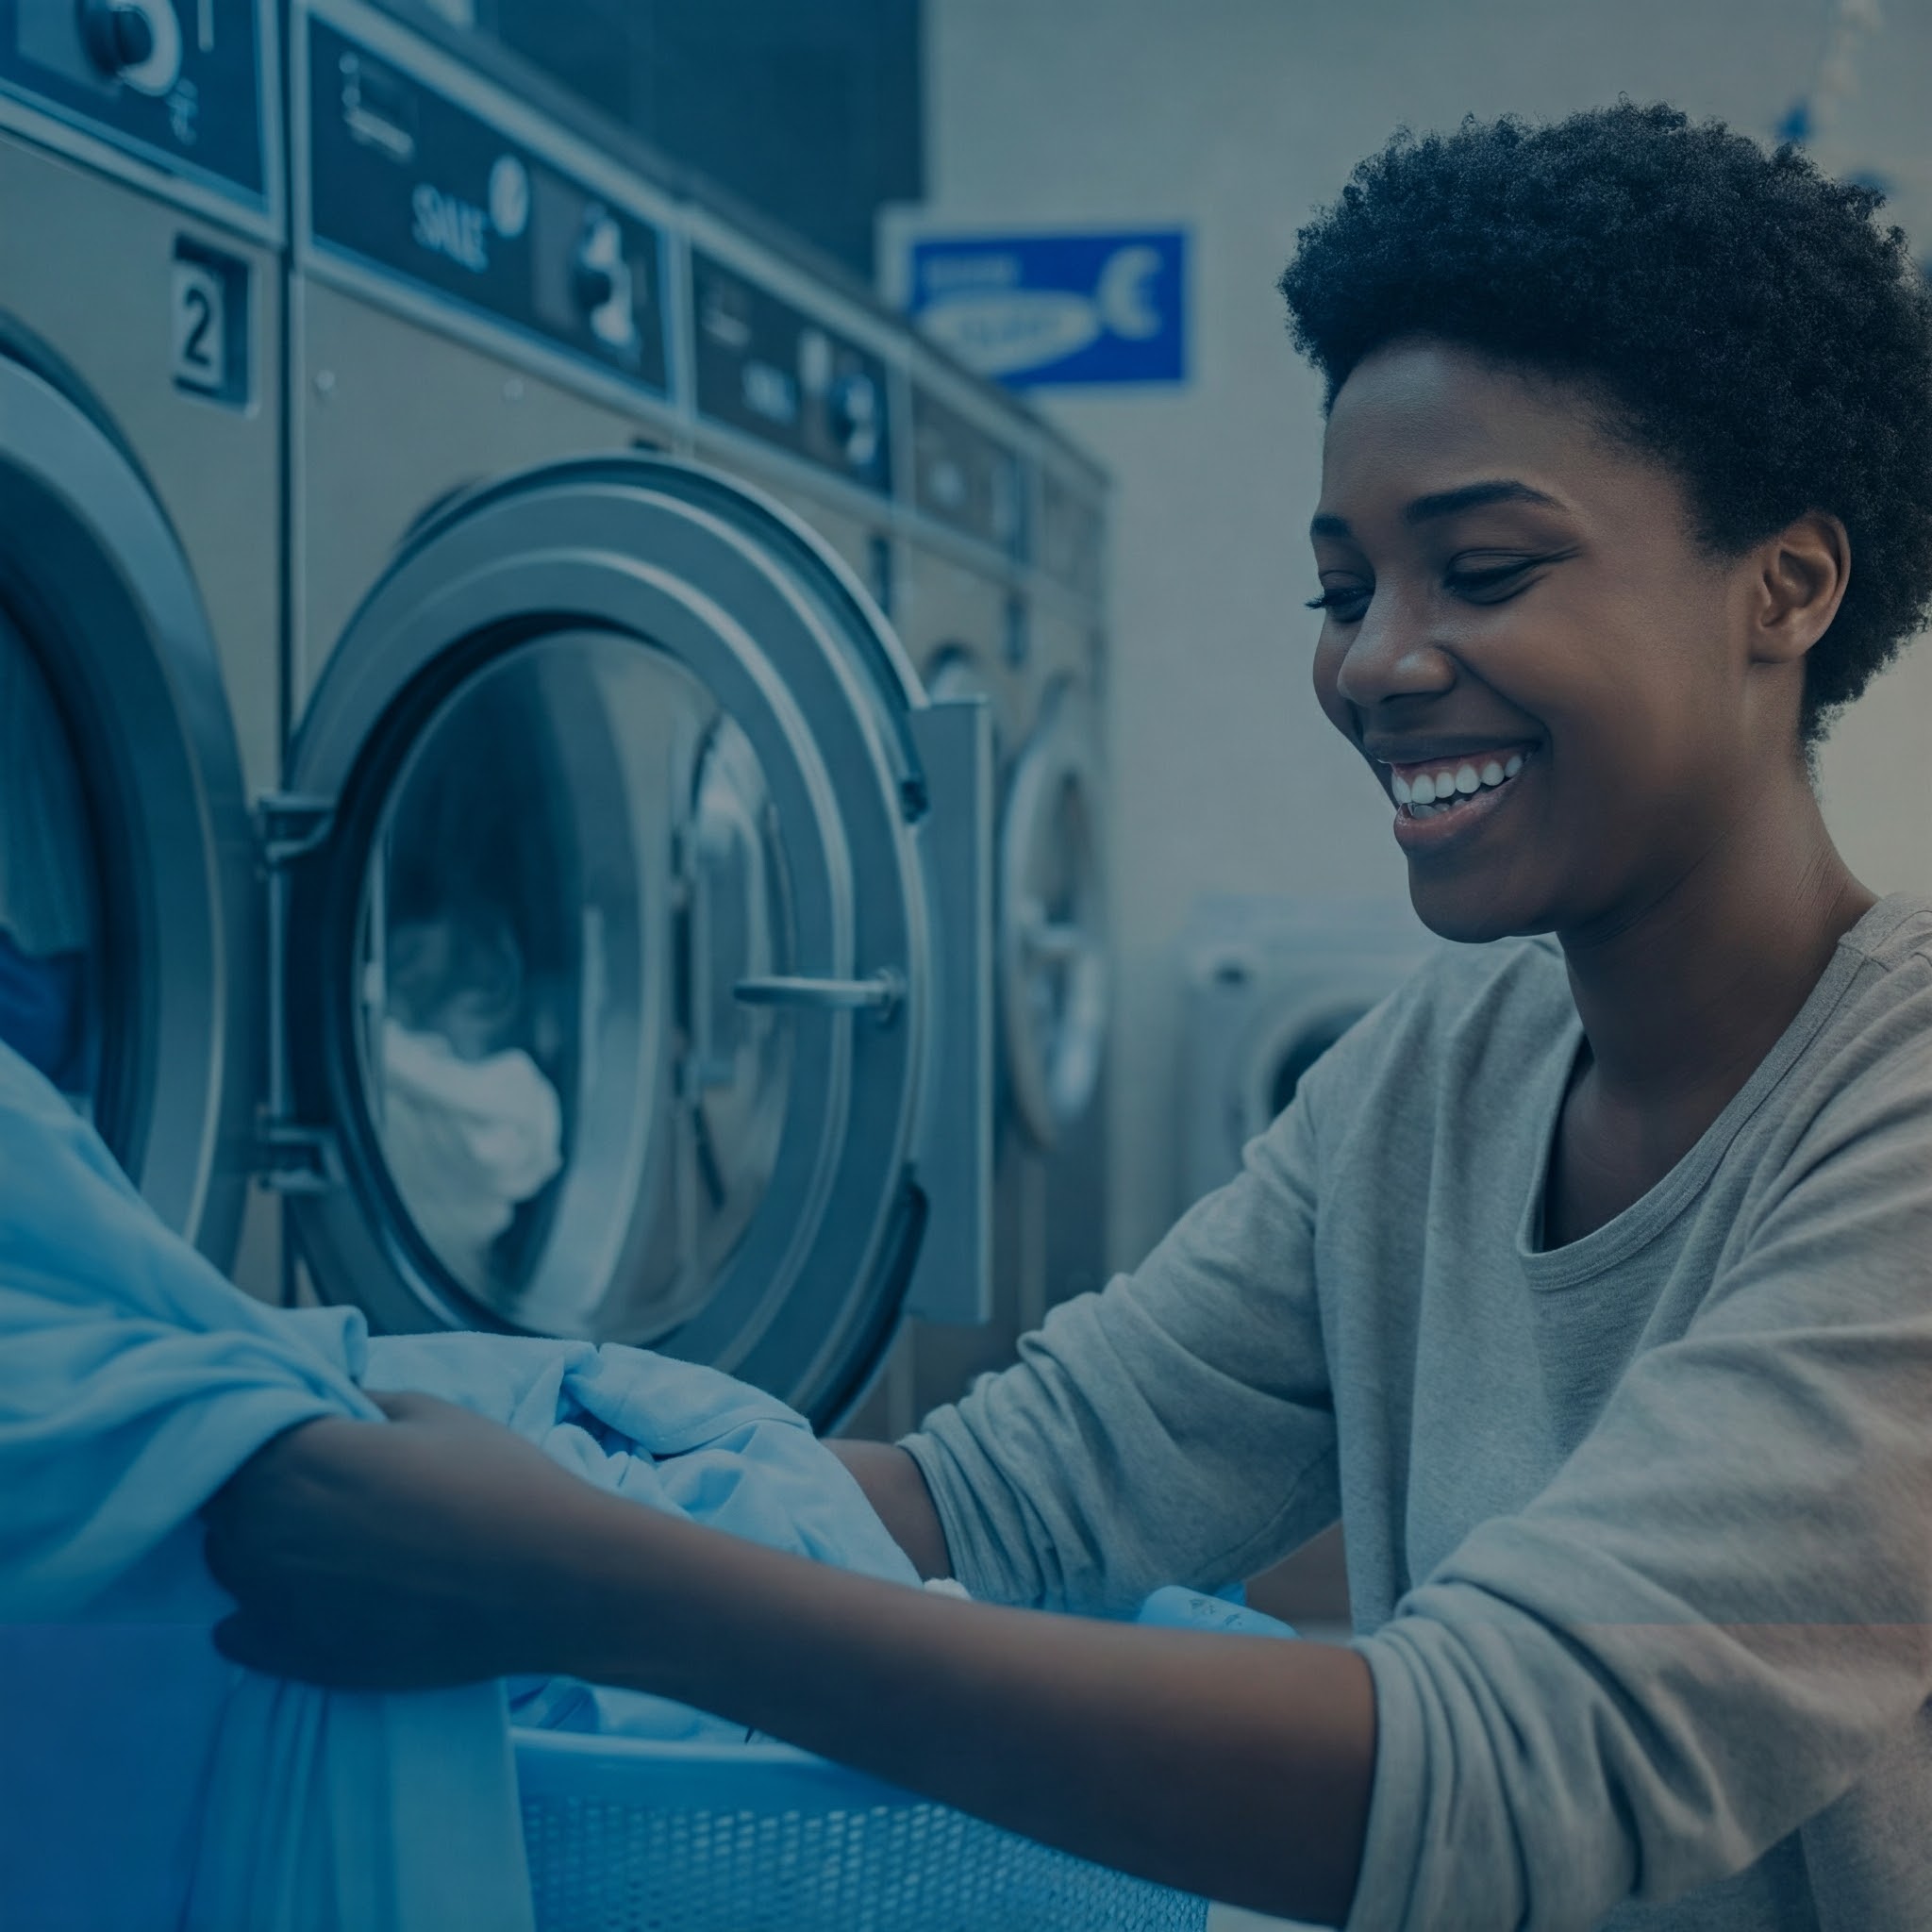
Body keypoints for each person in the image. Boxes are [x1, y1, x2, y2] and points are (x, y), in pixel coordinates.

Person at [201, 105, 1932, 1929]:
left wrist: (596, 1588)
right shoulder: (1435, 1077)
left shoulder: (1894, 1131)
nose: (1377, 662)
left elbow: (1510, 1773)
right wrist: (482, 1475)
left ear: (1788, 586)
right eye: (1341, 591)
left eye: (1484, 570)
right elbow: (1024, 1496)